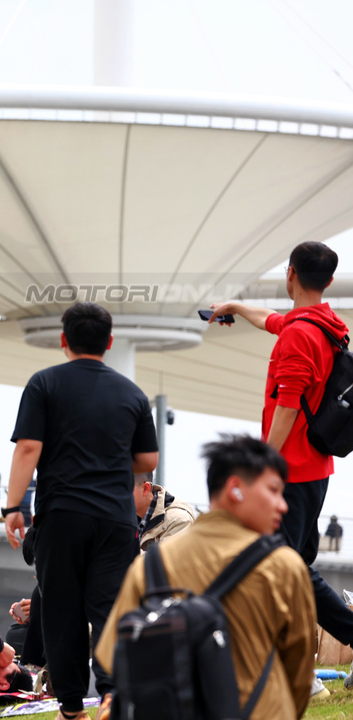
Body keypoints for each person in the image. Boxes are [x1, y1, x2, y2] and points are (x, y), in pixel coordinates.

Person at [2, 302, 158, 720]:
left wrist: (13, 505)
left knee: (62, 611)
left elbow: (28, 448)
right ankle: (112, 696)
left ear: (63, 340)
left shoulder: (44, 384)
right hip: (115, 519)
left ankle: (72, 709)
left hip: (62, 516)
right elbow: (149, 458)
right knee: (109, 609)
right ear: (109, 343)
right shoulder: (132, 393)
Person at [97, 436, 316, 720]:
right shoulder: (284, 566)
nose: (282, 505)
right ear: (235, 489)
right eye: (274, 491)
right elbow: (299, 670)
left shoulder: (149, 566)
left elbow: (113, 654)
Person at [210, 241, 353, 668]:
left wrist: (261, 472)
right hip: (317, 466)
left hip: (289, 472)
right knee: (294, 565)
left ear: (290, 274)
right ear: (327, 281)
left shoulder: (298, 334)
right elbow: (270, 319)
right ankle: (292, 659)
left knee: (283, 563)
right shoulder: (326, 325)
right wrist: (234, 305)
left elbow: (288, 405)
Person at [133, 471, 196, 550]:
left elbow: (166, 560)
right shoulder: (121, 517)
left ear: (146, 489)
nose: (117, 496)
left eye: (124, 489)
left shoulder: (179, 521)